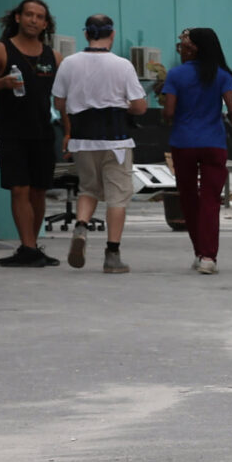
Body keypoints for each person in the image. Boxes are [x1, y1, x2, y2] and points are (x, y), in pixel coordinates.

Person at [51, 14, 149, 274]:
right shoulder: (122, 65)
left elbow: (59, 103)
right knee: (117, 198)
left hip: (82, 140)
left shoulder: (69, 63)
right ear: (112, 34)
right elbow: (140, 107)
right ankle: (112, 254)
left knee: (88, 189)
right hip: (116, 142)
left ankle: (81, 225)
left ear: (86, 34)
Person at [0, 0, 61, 266]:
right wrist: (2, 82)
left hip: (44, 131)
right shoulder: (1, 49)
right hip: (12, 131)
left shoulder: (53, 56)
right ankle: (27, 246)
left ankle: (31, 248)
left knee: (38, 190)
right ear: (18, 18)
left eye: (39, 16)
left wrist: (70, 131)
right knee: (19, 189)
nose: (33, 20)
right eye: (29, 15)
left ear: (45, 23)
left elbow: (62, 98)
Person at [160, 28, 232, 274]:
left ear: (194, 47)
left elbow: (168, 113)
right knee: (211, 201)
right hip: (214, 144)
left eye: (185, 44)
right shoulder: (222, 76)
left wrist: (168, 118)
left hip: (183, 143)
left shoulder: (176, 75)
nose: (181, 47)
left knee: (188, 198)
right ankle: (208, 257)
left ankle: (200, 251)